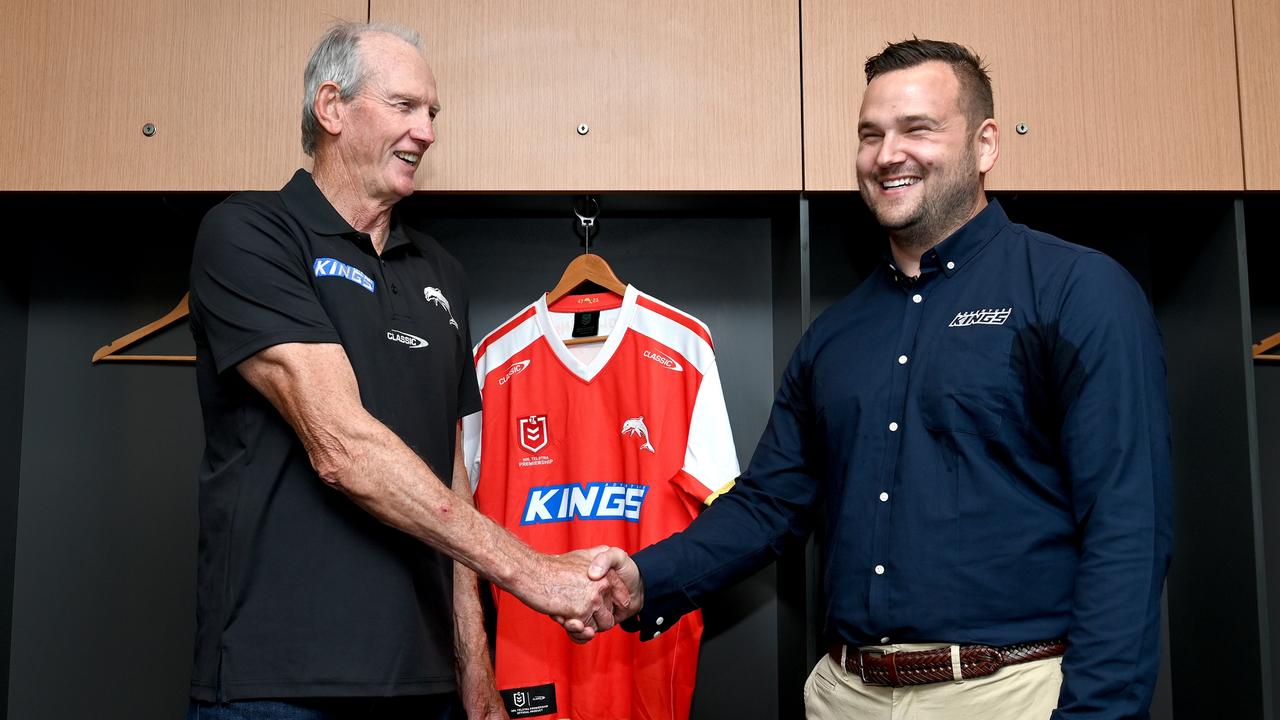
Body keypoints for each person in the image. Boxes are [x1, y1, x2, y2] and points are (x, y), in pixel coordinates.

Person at [585, 38, 1173, 719]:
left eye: (918, 128)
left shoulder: (1079, 291)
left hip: (1008, 694)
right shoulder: (836, 336)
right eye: (871, 134)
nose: (888, 153)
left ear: (985, 146)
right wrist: (641, 578)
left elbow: (1128, 528)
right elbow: (768, 506)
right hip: (846, 695)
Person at [187, 22, 622, 720]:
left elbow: (452, 483)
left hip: (425, 690)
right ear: (331, 108)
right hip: (278, 689)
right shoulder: (250, 234)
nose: (426, 131)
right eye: (404, 106)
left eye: (433, 113)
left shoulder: (442, 275)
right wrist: (535, 573)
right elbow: (343, 448)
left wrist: (476, 682)